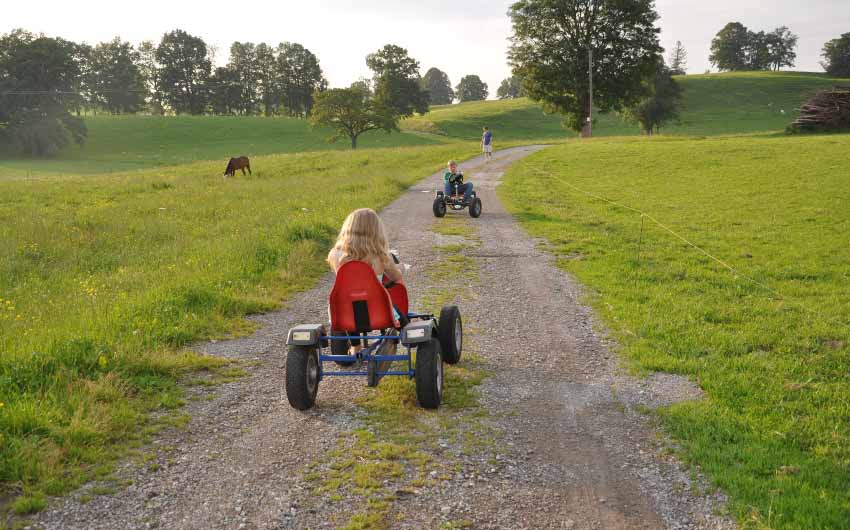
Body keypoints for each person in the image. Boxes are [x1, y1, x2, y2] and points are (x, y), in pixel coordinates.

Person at [327, 208, 403, 353]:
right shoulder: (380, 255)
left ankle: (355, 345)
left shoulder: (334, 254)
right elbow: (396, 277)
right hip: (378, 312)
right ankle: (407, 331)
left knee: (350, 303)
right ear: (375, 231)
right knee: (395, 309)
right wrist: (400, 268)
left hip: (343, 313)